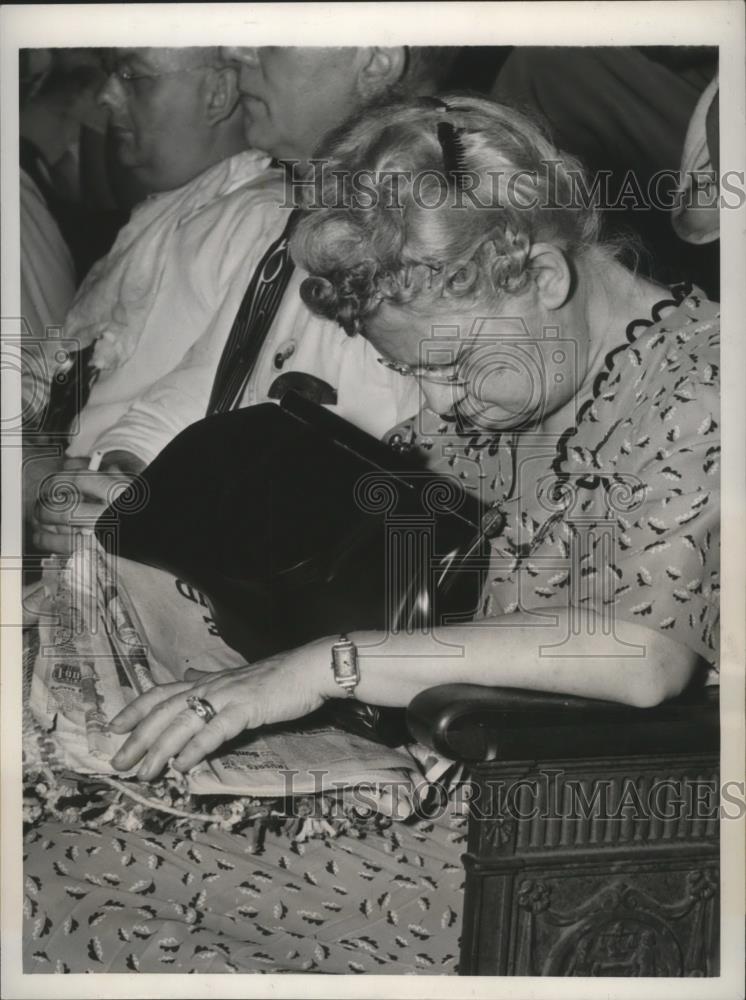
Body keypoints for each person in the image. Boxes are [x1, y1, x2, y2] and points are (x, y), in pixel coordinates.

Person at [23, 95, 719, 974]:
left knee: (58, 863)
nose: (437, 405)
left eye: (453, 365)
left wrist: (320, 666)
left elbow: (643, 652)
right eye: (411, 373)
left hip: (591, 860)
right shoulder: (525, 382)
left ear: (544, 277)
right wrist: (159, 533)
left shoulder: (706, 383)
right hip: (478, 800)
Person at [31, 46, 459, 553]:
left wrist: (165, 525)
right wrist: (122, 472)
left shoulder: (448, 234)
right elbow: (198, 387)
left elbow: (404, 516)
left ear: (376, 58)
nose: (237, 53)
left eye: (272, 33)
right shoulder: (306, 211)